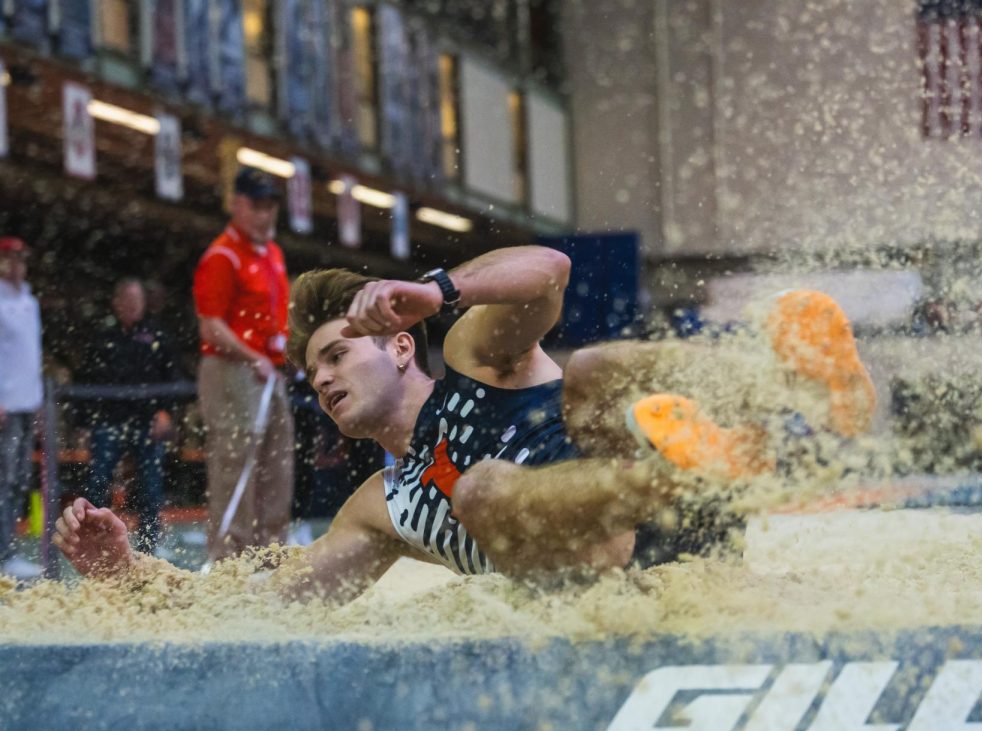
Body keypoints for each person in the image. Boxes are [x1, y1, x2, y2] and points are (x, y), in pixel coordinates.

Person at [55, 246, 875, 601]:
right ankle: (694, 465)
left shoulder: (474, 354)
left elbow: (548, 273)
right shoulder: (382, 504)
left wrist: (441, 290)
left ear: (399, 344)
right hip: (612, 566)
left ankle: (786, 386)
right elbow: (273, 601)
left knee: (587, 371)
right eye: (315, 374)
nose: (325, 378)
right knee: (481, 487)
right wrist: (130, 573)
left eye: (339, 355)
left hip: (671, 530)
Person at [192, 166, 294, 562]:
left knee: (277, 463)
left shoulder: (273, 254)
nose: (265, 215)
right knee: (237, 463)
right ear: (237, 205)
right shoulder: (222, 257)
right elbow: (211, 325)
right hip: (234, 369)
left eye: (270, 207)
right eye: (257, 207)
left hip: (271, 371)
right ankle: (230, 558)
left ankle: (271, 552)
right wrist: (253, 356)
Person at [75, 278, 181, 555]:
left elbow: (172, 378)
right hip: (108, 420)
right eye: (128, 301)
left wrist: (166, 412)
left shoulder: (157, 336)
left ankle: (149, 544)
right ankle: (96, 541)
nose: (133, 306)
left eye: (138, 301)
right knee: (98, 483)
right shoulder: (101, 336)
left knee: (150, 486)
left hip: (147, 422)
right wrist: (84, 423)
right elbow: (85, 380)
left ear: (144, 304)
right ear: (116, 303)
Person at [0, 237, 44, 579]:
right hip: (6, 403)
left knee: (17, 480)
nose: (16, 265)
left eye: (20, 259)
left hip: (27, 401)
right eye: (9, 258)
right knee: (5, 479)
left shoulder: (28, 300)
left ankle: (9, 547)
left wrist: (40, 400)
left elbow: (32, 354)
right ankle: (4, 552)